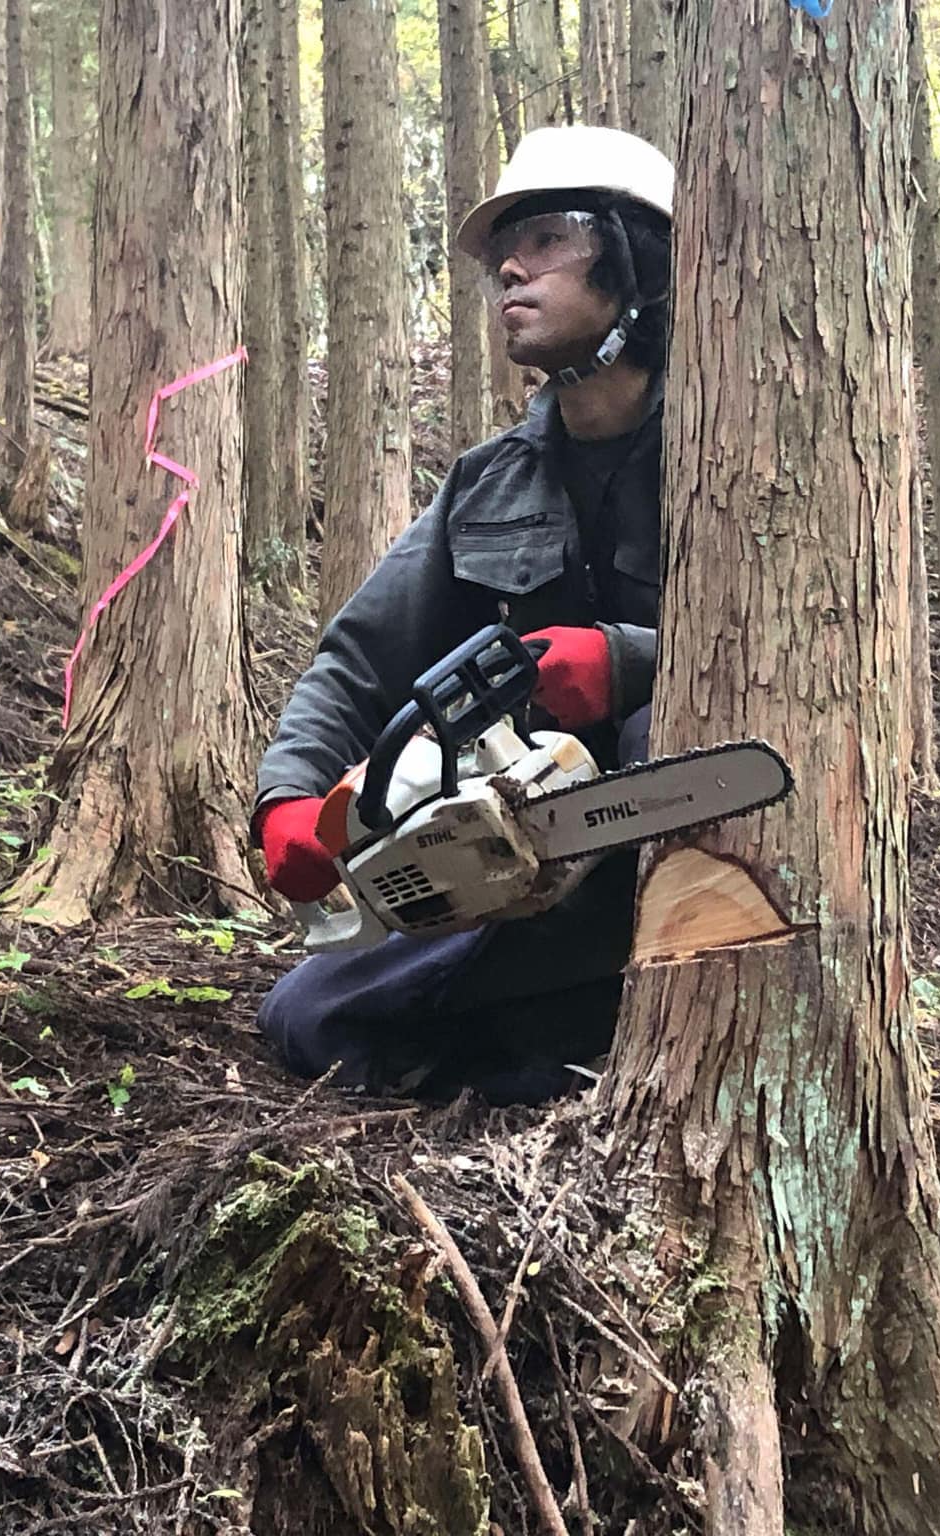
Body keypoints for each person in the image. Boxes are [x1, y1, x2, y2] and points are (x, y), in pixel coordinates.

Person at [253, 126, 674, 1104]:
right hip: (523, 864)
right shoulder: (487, 483)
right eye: (500, 255)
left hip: (679, 851)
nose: (511, 269)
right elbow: (359, 659)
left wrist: (625, 662)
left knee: (667, 730)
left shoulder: (731, 446)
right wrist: (292, 798)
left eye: (546, 238)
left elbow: (799, 656)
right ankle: (540, 1047)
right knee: (303, 1017)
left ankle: (552, 1041)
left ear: (634, 258)